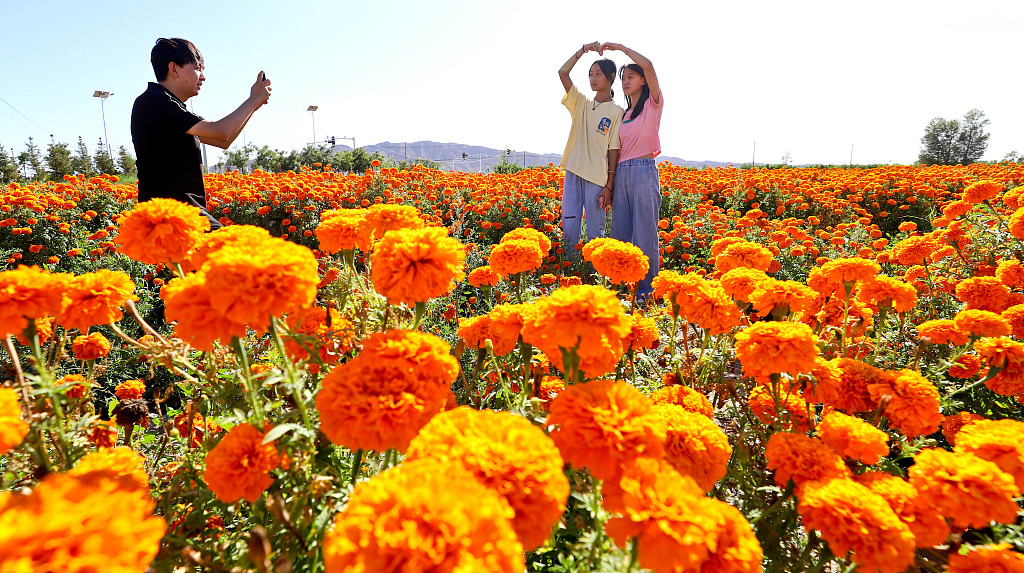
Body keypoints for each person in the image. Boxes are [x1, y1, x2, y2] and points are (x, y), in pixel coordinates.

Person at [131, 37, 272, 230]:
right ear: (174, 69)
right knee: (236, 254)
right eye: (198, 68)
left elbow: (224, 140)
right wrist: (253, 100)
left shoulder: (167, 105)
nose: (203, 76)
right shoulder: (155, 102)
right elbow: (220, 131)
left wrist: (254, 104)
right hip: (171, 214)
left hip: (180, 213)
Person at [600, 43, 663, 299]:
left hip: (643, 171)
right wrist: (610, 184)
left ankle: (647, 291)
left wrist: (619, 48)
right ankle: (623, 288)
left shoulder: (653, 105)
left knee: (644, 233)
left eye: (631, 77)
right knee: (620, 234)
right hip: (623, 173)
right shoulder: (624, 115)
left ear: (643, 81)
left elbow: (649, 66)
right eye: (623, 78)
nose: (626, 81)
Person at [557, 42, 624, 265]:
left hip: (597, 178)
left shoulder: (617, 112)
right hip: (574, 172)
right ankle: (570, 271)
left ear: (611, 77)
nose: (593, 79)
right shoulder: (581, 103)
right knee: (569, 226)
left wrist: (609, 185)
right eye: (590, 74)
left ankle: (596, 274)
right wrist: (582, 50)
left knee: (596, 231)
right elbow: (563, 72)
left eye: (598, 74)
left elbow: (613, 148)